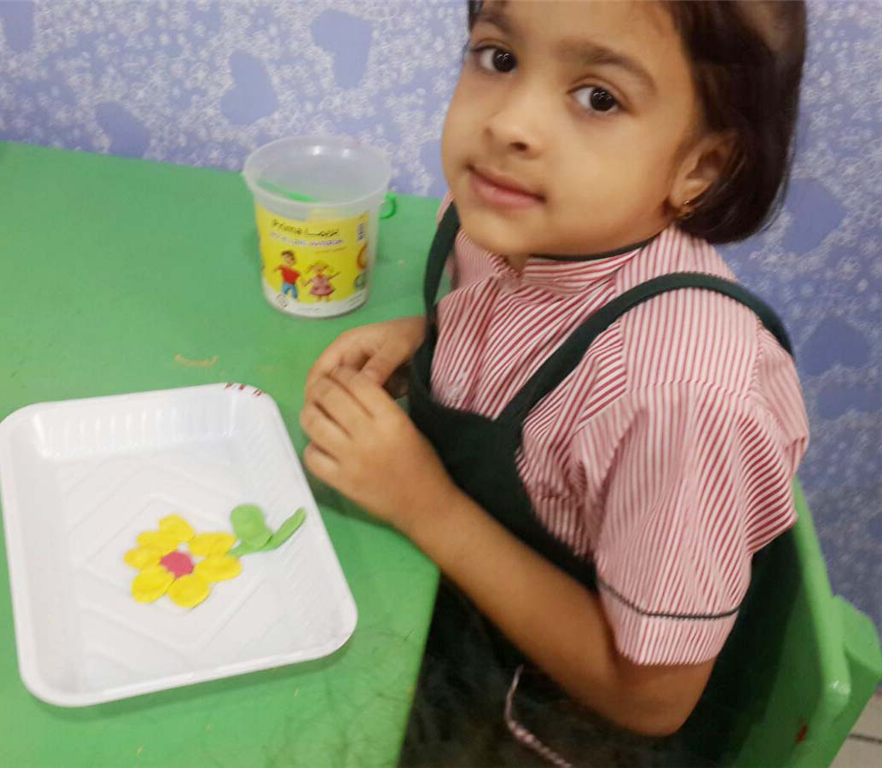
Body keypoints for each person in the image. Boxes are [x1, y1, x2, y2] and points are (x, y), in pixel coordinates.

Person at [300, 0, 809, 765]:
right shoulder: (510, 219)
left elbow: (652, 700)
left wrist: (425, 506)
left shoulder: (680, 398)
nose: (509, 123)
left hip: (546, 722)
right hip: (440, 613)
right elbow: (520, 320)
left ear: (700, 168)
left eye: (599, 97)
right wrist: (429, 335)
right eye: (499, 57)